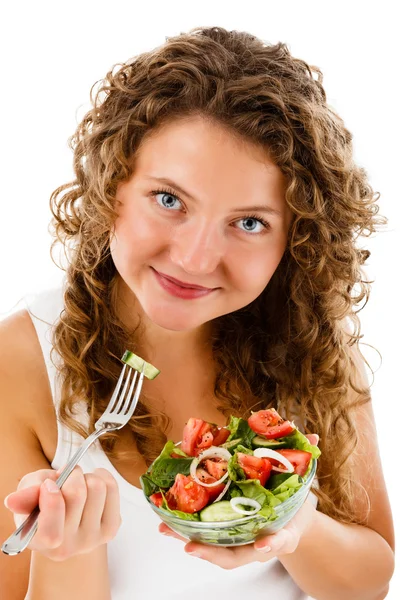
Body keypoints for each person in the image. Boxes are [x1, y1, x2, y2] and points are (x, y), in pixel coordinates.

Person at [0, 26, 394, 600]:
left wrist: (295, 525)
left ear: (295, 242)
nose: (194, 259)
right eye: (169, 200)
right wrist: (71, 552)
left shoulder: (313, 344)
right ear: (113, 186)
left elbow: (369, 582)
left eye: (250, 222)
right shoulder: (21, 359)